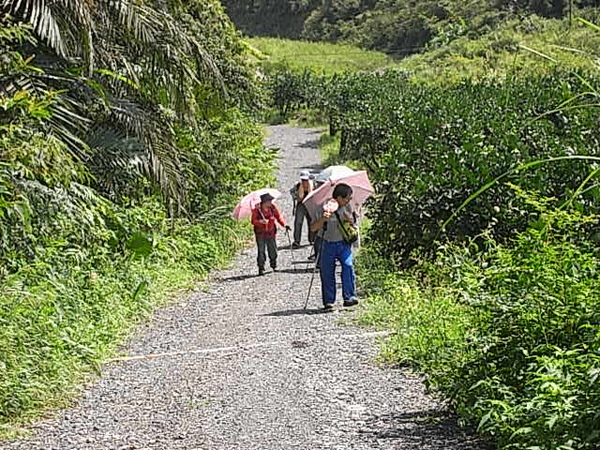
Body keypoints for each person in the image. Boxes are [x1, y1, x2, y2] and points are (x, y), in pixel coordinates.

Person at [310, 183, 358, 310]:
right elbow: (313, 228)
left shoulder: (348, 208)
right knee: (327, 272)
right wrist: (323, 219)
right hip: (327, 243)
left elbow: (353, 226)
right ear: (339, 198)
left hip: (343, 243)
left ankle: (349, 297)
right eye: (347, 198)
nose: (349, 200)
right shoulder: (323, 207)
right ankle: (329, 301)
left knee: (348, 266)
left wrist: (351, 220)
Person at [251, 193, 290, 276]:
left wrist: (284, 224)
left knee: (273, 250)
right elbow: (253, 221)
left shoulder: (273, 208)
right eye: (269, 201)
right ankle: (261, 267)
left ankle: (273, 264)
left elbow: (278, 217)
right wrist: (260, 222)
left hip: (271, 233)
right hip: (260, 234)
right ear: (264, 202)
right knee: (261, 251)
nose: (270, 202)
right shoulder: (257, 210)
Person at [289, 170, 315, 249]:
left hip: (310, 205)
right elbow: (292, 192)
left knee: (311, 221)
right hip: (301, 205)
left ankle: (312, 239)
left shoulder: (314, 185)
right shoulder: (297, 185)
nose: (304, 182)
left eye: (306, 180)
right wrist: (297, 197)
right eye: (303, 180)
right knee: (298, 222)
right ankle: (297, 241)